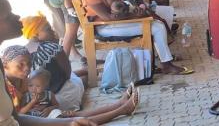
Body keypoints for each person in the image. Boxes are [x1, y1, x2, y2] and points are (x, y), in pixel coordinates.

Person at [80, 0, 192, 75]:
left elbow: (121, 9)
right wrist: (133, 15)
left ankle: (159, 63)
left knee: (156, 24)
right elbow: (108, 17)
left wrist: (135, 12)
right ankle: (166, 65)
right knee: (157, 27)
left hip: (116, 23)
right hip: (103, 28)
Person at [0, 0, 96, 126]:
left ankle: (121, 107)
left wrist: (69, 122)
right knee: (76, 86)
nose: (17, 17)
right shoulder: (49, 48)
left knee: (75, 118)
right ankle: (120, 107)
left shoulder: (11, 60)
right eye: (8, 16)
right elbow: (66, 74)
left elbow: (16, 118)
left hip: (45, 102)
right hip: (56, 97)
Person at [1, 45, 139, 124]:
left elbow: (40, 98)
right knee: (77, 120)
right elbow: (16, 116)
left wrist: (50, 107)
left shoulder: (23, 79)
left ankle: (118, 105)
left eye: (29, 64)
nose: (27, 68)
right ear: (5, 66)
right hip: (30, 121)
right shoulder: (5, 85)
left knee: (73, 115)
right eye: (20, 65)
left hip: (40, 115)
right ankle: (121, 110)